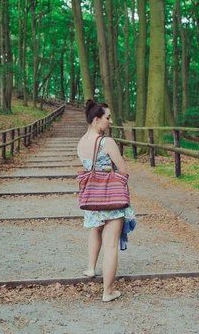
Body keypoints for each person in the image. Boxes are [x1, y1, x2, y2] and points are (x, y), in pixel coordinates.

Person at [77, 100, 136, 302]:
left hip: (92, 196)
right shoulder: (106, 142)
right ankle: (107, 291)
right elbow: (123, 170)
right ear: (96, 119)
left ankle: (90, 268)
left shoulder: (81, 142)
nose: (110, 121)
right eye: (107, 117)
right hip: (110, 197)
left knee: (96, 229)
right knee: (111, 244)